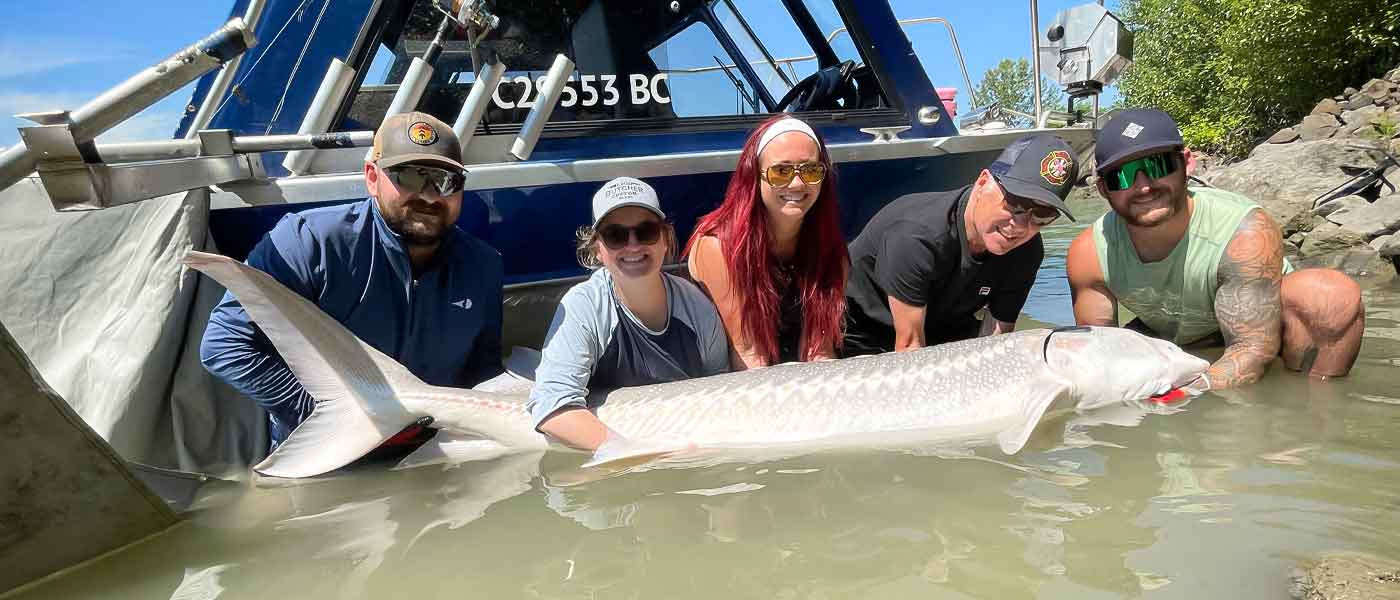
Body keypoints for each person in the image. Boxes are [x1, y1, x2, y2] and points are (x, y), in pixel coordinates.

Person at [201, 111, 503, 450]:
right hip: (324, 450)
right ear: (372, 177)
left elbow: (484, 373)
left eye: (447, 181)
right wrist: (329, 416)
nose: (431, 196)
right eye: (411, 177)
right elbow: (226, 345)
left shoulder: (485, 265)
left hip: (432, 450)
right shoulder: (307, 241)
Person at [1066, 108, 1364, 390]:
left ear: (1187, 162)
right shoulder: (1088, 253)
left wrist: (1181, 396)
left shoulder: (1245, 231)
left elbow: (1253, 348)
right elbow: (1099, 352)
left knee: (1329, 296)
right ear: (1104, 189)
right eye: (1123, 176)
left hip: (1263, 328)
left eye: (1158, 165)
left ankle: (1317, 409)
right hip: (1170, 335)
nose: (1144, 187)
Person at [529, 177, 729, 451]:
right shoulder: (584, 305)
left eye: (646, 231)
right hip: (622, 450)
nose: (633, 245)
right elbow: (552, 407)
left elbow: (722, 392)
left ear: (665, 240)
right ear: (597, 248)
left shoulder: (697, 307)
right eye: (616, 235)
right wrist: (636, 452)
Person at [843, 134, 1079, 355]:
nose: (1020, 225)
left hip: (941, 326)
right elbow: (909, 347)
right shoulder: (917, 235)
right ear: (983, 182)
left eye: (1042, 215)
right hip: (861, 332)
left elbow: (996, 338)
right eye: (1015, 204)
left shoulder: (1027, 250)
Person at [685, 115, 849, 369]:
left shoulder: (831, 251)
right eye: (781, 171)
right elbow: (749, 357)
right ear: (755, 176)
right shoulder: (718, 246)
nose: (797, 183)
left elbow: (820, 352)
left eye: (810, 170)